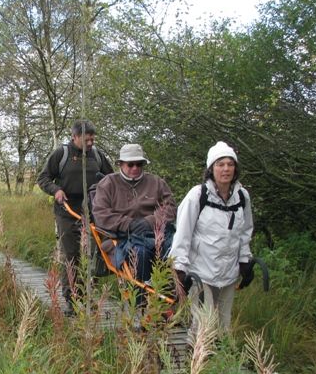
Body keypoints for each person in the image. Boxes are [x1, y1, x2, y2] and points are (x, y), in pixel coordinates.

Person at [169, 141, 254, 331]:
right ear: (211, 169)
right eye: (220, 164)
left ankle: (223, 358)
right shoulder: (197, 196)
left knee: (224, 327)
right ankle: (196, 356)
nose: (226, 169)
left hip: (229, 272)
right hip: (201, 272)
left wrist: (245, 260)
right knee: (202, 326)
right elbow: (182, 235)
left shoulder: (242, 197)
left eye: (230, 164)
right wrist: (179, 269)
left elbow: (245, 231)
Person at [37, 120, 114, 314]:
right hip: (67, 211)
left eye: (92, 140)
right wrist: (56, 190)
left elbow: (111, 179)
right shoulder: (61, 155)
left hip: (93, 212)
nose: (90, 144)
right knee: (71, 255)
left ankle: (88, 297)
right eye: (87, 140)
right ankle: (71, 300)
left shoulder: (97, 155)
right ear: (75, 137)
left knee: (95, 255)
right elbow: (43, 178)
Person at [92, 143, 177, 307]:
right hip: (122, 238)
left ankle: (167, 305)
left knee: (176, 252)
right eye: (130, 164)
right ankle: (139, 305)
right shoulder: (108, 183)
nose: (135, 168)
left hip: (157, 234)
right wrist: (128, 224)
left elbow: (170, 207)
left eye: (139, 164)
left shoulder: (156, 182)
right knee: (140, 253)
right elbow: (100, 214)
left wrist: (149, 221)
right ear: (120, 164)